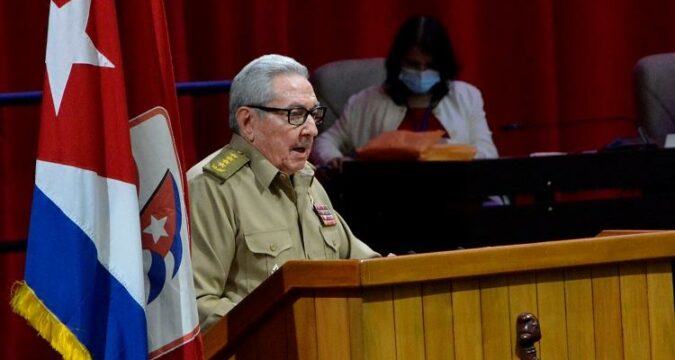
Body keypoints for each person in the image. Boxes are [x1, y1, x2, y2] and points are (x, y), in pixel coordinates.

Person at [188, 54, 379, 331]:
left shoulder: (307, 180)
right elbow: (198, 306)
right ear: (248, 123)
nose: (312, 129)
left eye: (314, 114)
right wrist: (291, 326)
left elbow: (361, 264)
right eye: (296, 115)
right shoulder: (211, 188)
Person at [311, 15, 499, 169]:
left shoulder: (467, 97)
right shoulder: (365, 101)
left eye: (430, 66)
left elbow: (488, 153)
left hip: (457, 199)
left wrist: (446, 151)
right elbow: (324, 143)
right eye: (413, 65)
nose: (422, 72)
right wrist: (334, 159)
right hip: (388, 203)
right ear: (399, 62)